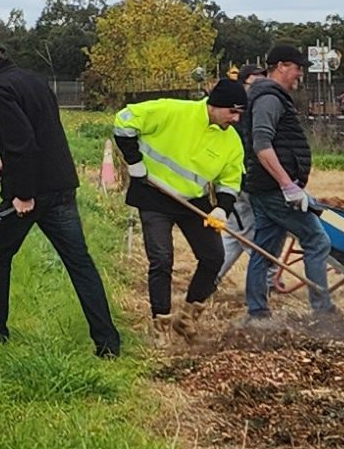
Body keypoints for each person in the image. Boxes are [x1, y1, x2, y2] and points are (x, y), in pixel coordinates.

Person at [0, 31, 120, 357]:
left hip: (33, 192)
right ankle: (108, 344)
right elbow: (40, 132)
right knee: (80, 263)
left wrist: (23, 194)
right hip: (60, 185)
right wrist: (6, 162)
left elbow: (23, 142)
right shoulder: (31, 80)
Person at [105, 79, 249, 335]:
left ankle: (188, 316)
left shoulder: (231, 142)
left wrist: (222, 209)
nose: (236, 119)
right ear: (216, 105)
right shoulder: (173, 111)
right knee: (161, 259)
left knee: (214, 257)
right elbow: (124, 119)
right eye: (233, 111)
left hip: (192, 202)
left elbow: (231, 179)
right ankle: (161, 324)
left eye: (240, 113)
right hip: (153, 195)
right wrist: (134, 162)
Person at [239, 45, 336, 325]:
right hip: (273, 189)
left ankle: (257, 312)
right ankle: (323, 311)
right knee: (317, 241)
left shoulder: (269, 96)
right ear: (281, 66)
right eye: (298, 68)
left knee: (264, 249)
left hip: (265, 187)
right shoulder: (269, 98)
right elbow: (261, 144)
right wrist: (287, 186)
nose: (300, 74)